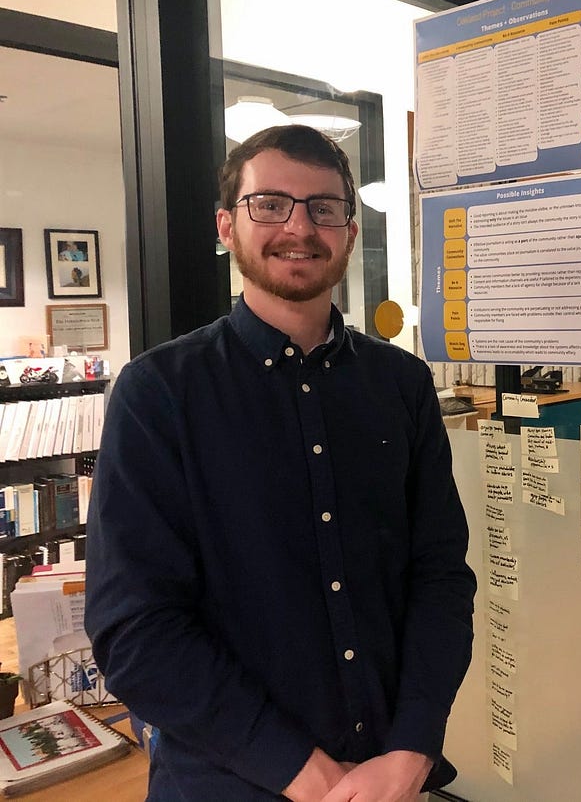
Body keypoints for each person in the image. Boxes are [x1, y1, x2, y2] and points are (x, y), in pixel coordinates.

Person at [85, 124, 477, 801]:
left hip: (388, 779)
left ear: (349, 234)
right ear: (226, 226)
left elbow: (440, 578)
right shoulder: (159, 395)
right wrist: (309, 773)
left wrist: (414, 744)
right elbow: (136, 631)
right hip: (227, 782)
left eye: (324, 207)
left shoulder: (402, 386)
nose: (300, 226)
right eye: (269, 203)